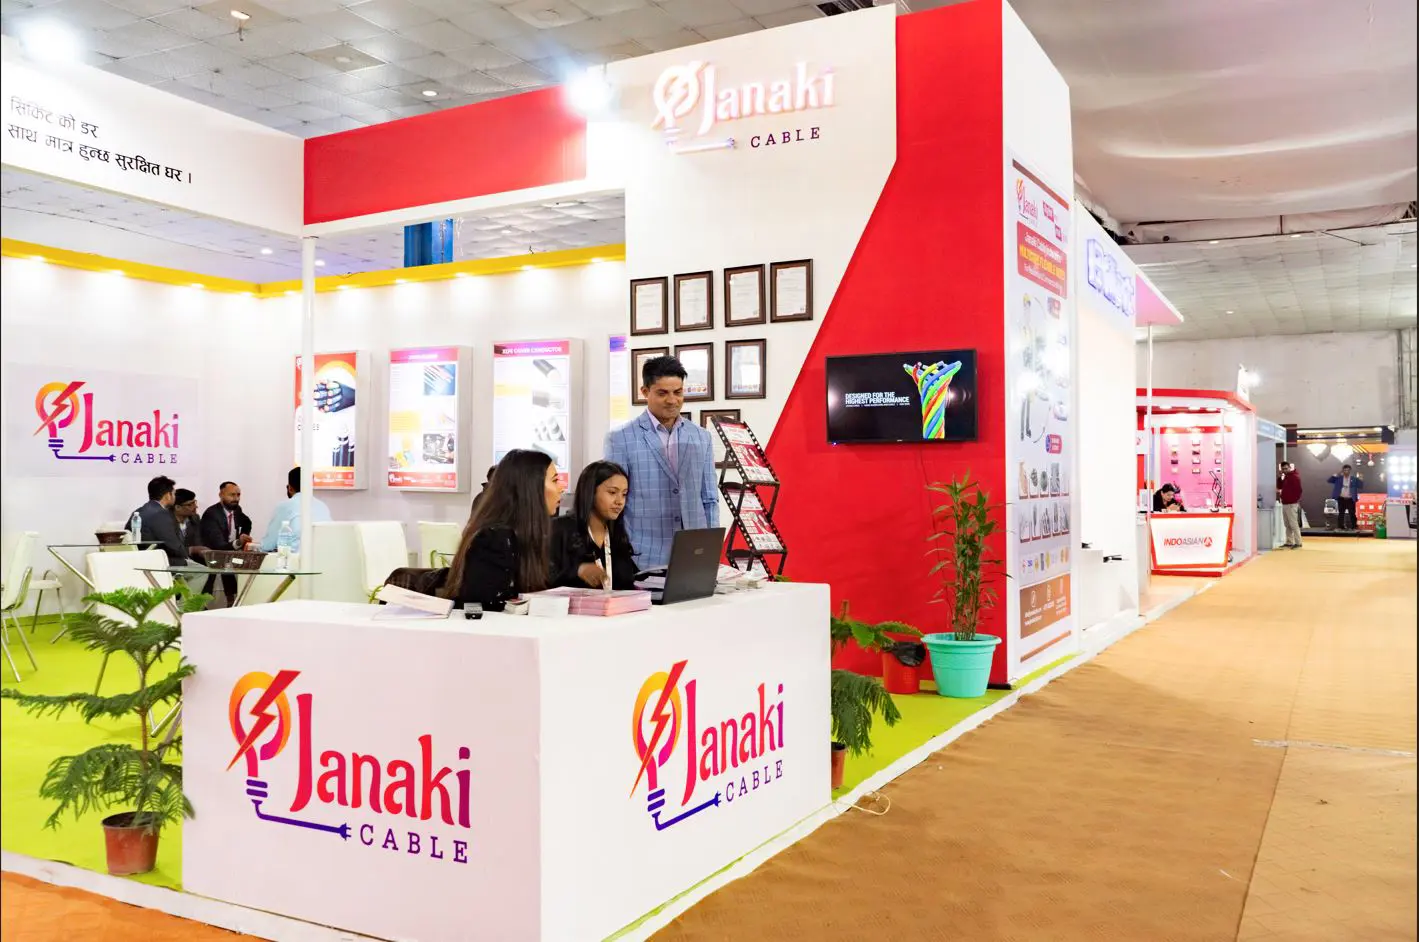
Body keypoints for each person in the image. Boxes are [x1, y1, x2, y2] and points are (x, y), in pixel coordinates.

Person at [604, 355, 719, 569]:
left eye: (678, 392)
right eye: (662, 393)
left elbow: (709, 498)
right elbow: (612, 502)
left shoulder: (701, 437)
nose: (672, 400)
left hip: (693, 554)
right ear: (645, 392)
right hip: (641, 556)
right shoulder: (620, 439)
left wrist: (711, 547)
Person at [441, 449, 563, 610]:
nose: (561, 488)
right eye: (555, 481)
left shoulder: (531, 536)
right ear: (530, 487)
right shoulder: (494, 540)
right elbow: (489, 608)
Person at [551, 460, 637, 591]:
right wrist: (577, 571)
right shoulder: (559, 530)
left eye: (624, 494)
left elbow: (628, 582)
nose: (620, 501)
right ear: (591, 492)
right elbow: (541, 577)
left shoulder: (616, 535)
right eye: (612, 492)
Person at [201, 481, 255, 606]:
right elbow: (218, 546)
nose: (236, 499)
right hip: (211, 554)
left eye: (238, 495)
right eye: (232, 495)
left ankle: (233, 602)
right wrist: (238, 542)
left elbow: (247, 522)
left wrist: (243, 536)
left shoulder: (237, 509)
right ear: (221, 495)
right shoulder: (211, 514)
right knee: (225, 561)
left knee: (237, 563)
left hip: (228, 552)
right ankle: (202, 606)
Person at [258, 467, 332, 553]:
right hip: (323, 558)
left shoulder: (284, 507)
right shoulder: (323, 506)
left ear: (290, 488)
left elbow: (268, 545)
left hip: (295, 560)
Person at [132, 476, 189, 565]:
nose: (175, 497)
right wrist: (187, 554)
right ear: (168, 495)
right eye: (173, 494)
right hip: (156, 563)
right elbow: (174, 547)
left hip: (138, 560)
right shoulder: (160, 514)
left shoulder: (138, 511)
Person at [1327, 464, 1363, 531]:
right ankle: (1340, 527)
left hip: (1350, 499)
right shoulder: (1339, 478)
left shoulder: (1353, 479)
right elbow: (1329, 480)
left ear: (1350, 471)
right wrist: (1336, 474)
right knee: (1341, 513)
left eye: (1348, 470)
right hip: (1341, 498)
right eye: (1345, 470)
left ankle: (1354, 527)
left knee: (1352, 513)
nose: (1346, 471)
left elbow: (1360, 486)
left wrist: (1361, 478)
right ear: (1342, 471)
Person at [1277, 461, 1304, 548]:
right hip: (1285, 503)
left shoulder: (1294, 477)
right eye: (1283, 469)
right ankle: (1289, 542)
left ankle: (1298, 542)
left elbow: (1299, 490)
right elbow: (1280, 486)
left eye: (1286, 468)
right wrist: (1280, 477)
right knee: (1287, 524)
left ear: (1289, 468)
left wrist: (1294, 500)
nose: (1284, 470)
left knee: (1293, 524)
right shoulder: (1286, 477)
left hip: (1291, 504)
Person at [173, 489, 204, 557]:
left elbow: (198, 543)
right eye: (190, 505)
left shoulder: (195, 518)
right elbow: (171, 549)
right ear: (177, 507)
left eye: (194, 502)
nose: (195, 507)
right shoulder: (166, 522)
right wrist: (192, 550)